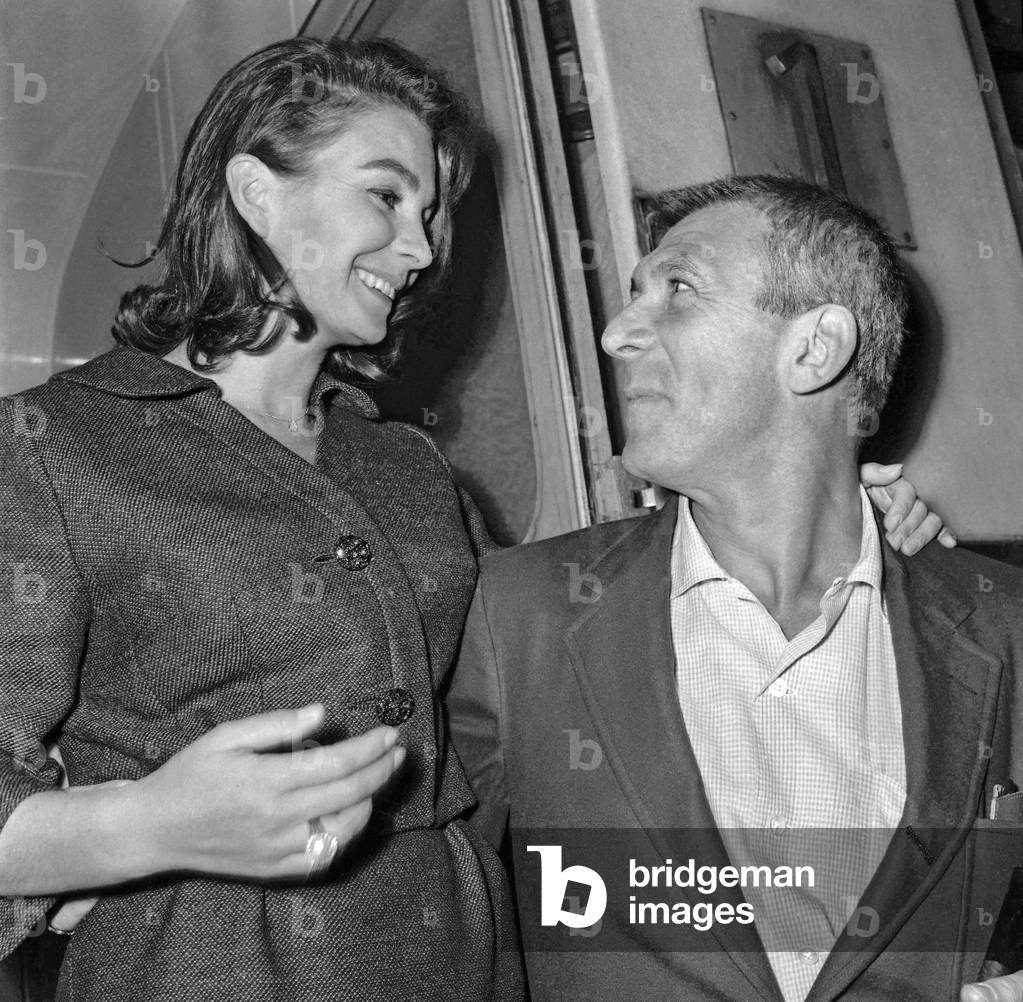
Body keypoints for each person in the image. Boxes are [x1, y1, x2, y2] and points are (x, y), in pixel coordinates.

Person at [0, 37, 524, 1001]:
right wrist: (142, 827)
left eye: (428, 215)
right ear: (255, 193)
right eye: (385, 195)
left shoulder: (409, 466)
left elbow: (528, 689)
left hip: (462, 956)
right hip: (200, 967)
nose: (419, 250)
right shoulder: (52, 444)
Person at [448, 175, 1022, 1002]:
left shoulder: (1000, 625)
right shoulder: (519, 613)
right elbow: (414, 912)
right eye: (633, 294)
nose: (616, 333)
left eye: (678, 288)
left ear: (815, 349)